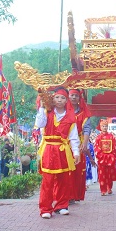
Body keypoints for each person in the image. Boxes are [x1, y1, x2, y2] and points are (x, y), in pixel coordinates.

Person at [35, 88, 80, 218]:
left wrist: (76, 152)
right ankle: (45, 208)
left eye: (63, 98)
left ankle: (61, 205)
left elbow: (73, 136)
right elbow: (39, 124)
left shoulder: (71, 117)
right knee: (47, 181)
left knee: (64, 180)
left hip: (63, 149)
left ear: (67, 101)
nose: (59, 100)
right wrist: (42, 108)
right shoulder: (46, 113)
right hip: (49, 149)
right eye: (57, 97)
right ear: (52, 99)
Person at [68, 89, 92, 202]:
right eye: (72, 95)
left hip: (78, 142)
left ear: (79, 98)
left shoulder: (83, 113)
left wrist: (85, 143)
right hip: (64, 142)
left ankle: (74, 195)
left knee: (77, 170)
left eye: (76, 96)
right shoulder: (63, 110)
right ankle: (64, 195)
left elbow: (87, 129)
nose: (73, 98)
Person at [94, 119, 116, 196]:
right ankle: (103, 190)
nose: (104, 128)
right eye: (103, 126)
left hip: (110, 158)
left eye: (106, 126)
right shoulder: (98, 137)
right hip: (102, 158)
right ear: (100, 127)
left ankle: (109, 188)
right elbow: (96, 148)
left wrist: (112, 156)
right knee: (102, 174)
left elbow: (115, 147)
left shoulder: (111, 136)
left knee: (109, 174)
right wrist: (102, 156)